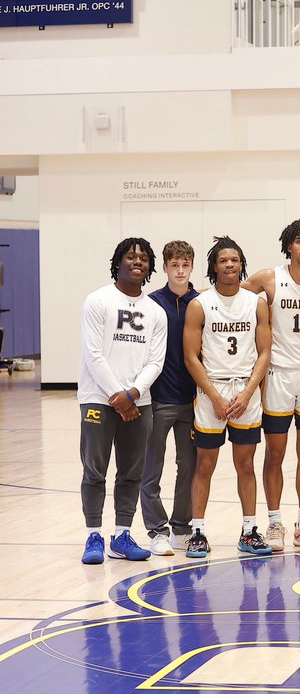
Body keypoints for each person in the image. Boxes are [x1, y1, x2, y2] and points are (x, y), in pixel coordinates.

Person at [244, 219, 300, 552]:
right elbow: (232, 300)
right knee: (275, 453)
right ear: (289, 245)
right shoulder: (269, 278)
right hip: (277, 375)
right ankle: (273, 524)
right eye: (299, 241)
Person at [79, 238, 168, 565]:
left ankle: (121, 535)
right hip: (98, 399)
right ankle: (93, 535)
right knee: (95, 471)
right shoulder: (97, 300)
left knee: (131, 473)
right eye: (131, 256)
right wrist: (119, 396)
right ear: (118, 262)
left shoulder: (156, 312)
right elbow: (93, 354)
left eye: (144, 258)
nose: (137, 262)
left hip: (138, 402)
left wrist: (132, 395)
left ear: (150, 267)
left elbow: (155, 362)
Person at [183, 237, 273, 558]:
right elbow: (191, 357)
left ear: (242, 264)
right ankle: (197, 533)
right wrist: (215, 397)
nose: (230, 264)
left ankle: (249, 531)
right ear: (214, 266)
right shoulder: (200, 305)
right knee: (204, 464)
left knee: (245, 464)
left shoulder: (256, 303)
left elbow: (265, 353)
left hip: (245, 392)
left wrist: (248, 393)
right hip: (212, 391)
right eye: (223, 260)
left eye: (235, 260)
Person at [138, 240, 199, 556]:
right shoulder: (151, 304)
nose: (180, 270)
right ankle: (157, 530)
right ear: (164, 267)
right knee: (151, 468)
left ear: (192, 267)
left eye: (185, 265)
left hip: (191, 401)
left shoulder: (201, 303)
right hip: (157, 399)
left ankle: (182, 528)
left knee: (189, 466)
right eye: (174, 265)